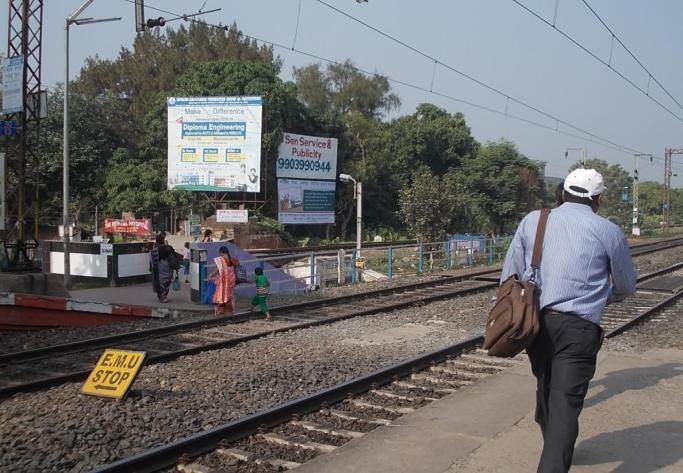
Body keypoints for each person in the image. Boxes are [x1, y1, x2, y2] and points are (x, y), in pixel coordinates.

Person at [500, 168, 637, 473]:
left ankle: (556, 443)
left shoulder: (534, 220)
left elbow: (511, 274)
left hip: (535, 325)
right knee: (564, 402)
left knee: (548, 388)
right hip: (579, 329)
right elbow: (626, 285)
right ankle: (555, 454)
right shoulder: (609, 231)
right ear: (597, 200)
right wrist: (603, 295)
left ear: (562, 193)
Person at [208, 246, 237, 315]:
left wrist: (211, 275)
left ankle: (218, 311)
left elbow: (217, 269)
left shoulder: (221, 259)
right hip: (231, 279)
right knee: (231, 295)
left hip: (223, 281)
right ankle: (231, 310)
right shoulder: (232, 259)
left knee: (220, 295)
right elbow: (234, 268)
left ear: (221, 252)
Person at [150, 232, 176, 303]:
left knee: (159, 282)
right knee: (167, 282)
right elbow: (174, 256)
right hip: (167, 268)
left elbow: (151, 261)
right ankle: (164, 296)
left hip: (159, 269)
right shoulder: (168, 248)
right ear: (163, 240)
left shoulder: (154, 250)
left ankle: (161, 296)